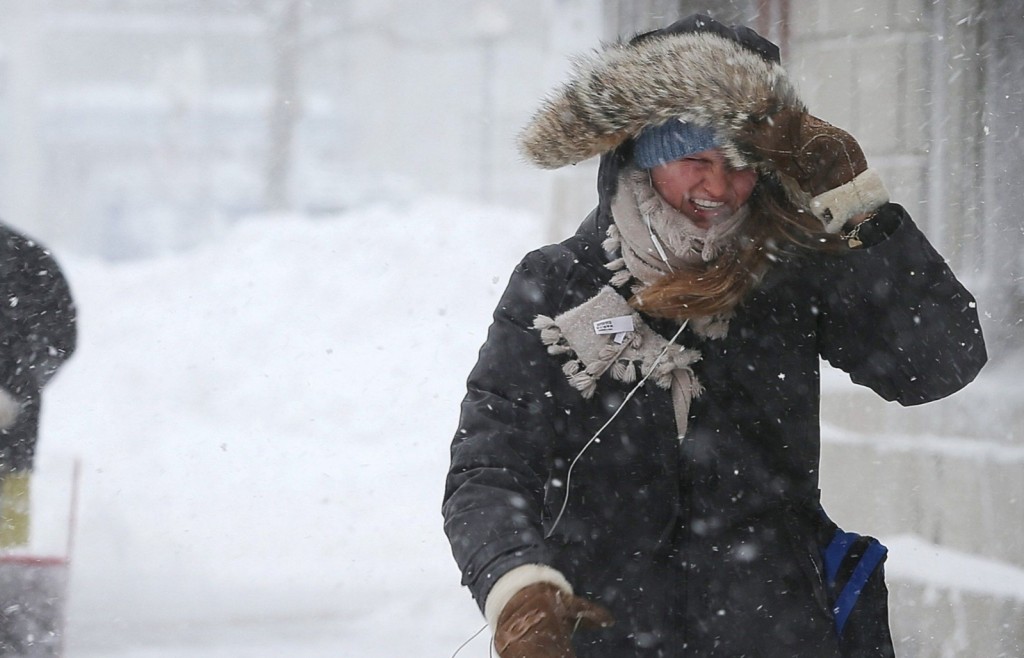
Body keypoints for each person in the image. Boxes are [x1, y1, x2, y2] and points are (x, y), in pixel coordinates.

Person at [442, 14, 986, 658]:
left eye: (741, 163)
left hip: (775, 633)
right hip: (605, 638)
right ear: (641, 155)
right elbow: (489, 468)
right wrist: (520, 590)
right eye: (694, 159)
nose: (719, 187)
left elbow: (936, 363)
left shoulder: (790, 276)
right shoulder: (558, 282)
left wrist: (858, 205)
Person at [0, 221, 76, 548]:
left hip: (10, 429)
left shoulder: (23, 261)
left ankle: (8, 570)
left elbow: (61, 337)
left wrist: (16, 387)